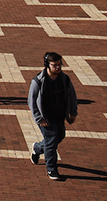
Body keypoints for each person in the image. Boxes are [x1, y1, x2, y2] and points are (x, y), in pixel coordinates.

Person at [27, 52, 78, 181]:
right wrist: (39, 118)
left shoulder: (65, 79)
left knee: (59, 136)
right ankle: (52, 169)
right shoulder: (38, 81)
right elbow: (31, 101)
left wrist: (73, 112)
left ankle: (37, 148)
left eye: (60, 65)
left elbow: (72, 96)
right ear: (47, 65)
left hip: (59, 115)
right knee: (52, 140)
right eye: (55, 65)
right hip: (46, 117)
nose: (58, 68)